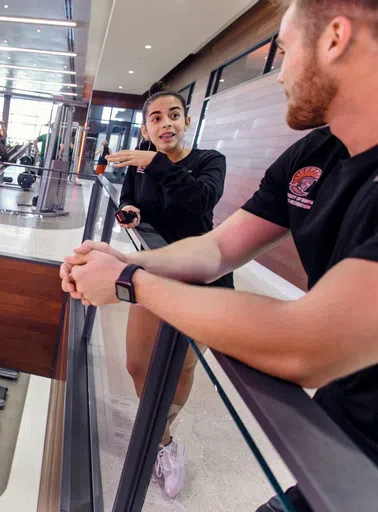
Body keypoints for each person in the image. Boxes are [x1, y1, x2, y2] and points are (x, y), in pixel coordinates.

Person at [61, 0, 378, 509]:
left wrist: (131, 282)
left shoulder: (209, 160)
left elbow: (306, 347)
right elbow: (218, 246)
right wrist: (123, 263)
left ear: (335, 38)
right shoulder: (315, 153)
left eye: (286, 50)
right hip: (345, 434)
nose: (278, 75)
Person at [107, 84, 231, 498]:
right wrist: (131, 212)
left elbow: (201, 201)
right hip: (154, 274)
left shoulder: (209, 161)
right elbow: (128, 198)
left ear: (187, 120)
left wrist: (155, 162)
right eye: (156, 117)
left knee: (182, 367)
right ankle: (156, 434)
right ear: (145, 126)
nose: (166, 123)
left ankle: (160, 437)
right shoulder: (137, 165)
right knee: (138, 364)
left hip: (203, 284)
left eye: (174, 114)